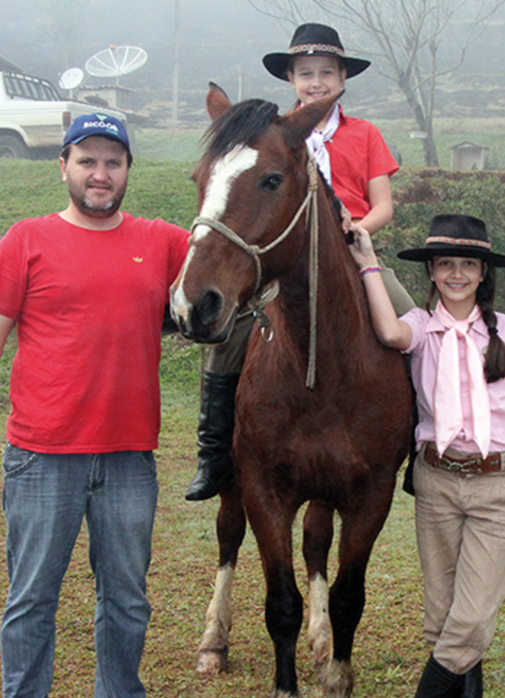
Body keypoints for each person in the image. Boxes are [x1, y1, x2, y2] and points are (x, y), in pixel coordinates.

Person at [0, 113, 189, 698]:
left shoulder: (163, 242)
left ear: (128, 171)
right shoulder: (28, 240)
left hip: (129, 452)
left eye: (113, 161)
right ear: (64, 166)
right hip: (43, 451)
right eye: (88, 161)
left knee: (128, 593)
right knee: (32, 593)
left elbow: (234, 258)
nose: (100, 174)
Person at [350, 214, 505, 698]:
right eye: (445, 265)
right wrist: (367, 258)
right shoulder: (419, 327)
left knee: (473, 616)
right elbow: (387, 332)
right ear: (432, 273)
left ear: (483, 272)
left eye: (467, 264)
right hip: (437, 482)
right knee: (443, 620)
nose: (456, 274)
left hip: (495, 484)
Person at [185, 22, 415, 501]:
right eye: (306, 73)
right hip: (283, 262)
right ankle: (213, 455)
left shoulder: (366, 134)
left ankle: (417, 444)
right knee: (227, 338)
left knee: (415, 325)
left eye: (326, 72)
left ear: (343, 79)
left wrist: (360, 232)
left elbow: (384, 204)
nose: (316, 82)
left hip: (354, 254)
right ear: (290, 79)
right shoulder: (271, 136)